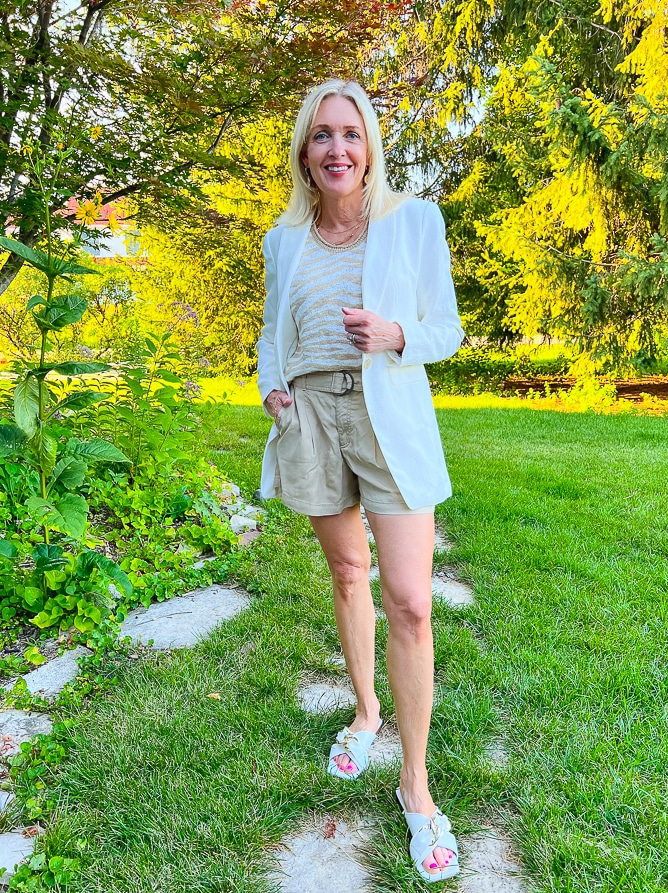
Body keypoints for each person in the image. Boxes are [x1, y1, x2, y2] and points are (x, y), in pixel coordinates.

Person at [256, 79, 464, 883]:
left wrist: (396, 330)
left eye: (350, 133)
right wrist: (272, 385)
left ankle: (416, 785)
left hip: (387, 418)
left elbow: (446, 327)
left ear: (370, 144)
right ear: (305, 154)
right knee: (348, 573)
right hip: (311, 416)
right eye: (321, 136)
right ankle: (366, 711)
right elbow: (273, 327)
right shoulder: (284, 238)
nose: (337, 148)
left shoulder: (411, 221)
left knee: (410, 601)